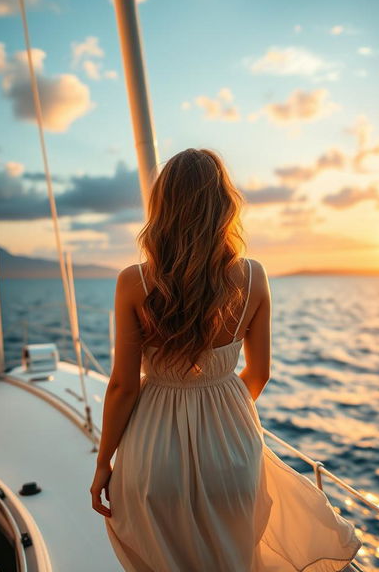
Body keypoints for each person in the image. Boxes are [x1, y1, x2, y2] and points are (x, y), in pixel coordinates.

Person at [90, 148, 362, 571]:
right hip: (232, 445)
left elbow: (123, 387)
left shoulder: (134, 282)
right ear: (224, 206)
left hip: (152, 451)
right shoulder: (254, 276)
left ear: (162, 207)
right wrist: (221, 421)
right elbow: (261, 372)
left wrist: (103, 463)